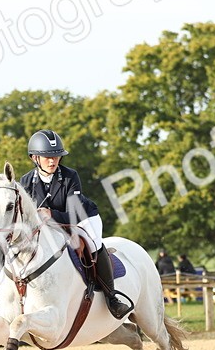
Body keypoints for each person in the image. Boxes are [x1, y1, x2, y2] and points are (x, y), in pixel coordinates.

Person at [19, 129, 133, 319]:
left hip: (82, 218)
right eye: (47, 157)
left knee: (94, 243)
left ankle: (111, 297)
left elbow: (74, 214)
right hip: (47, 225)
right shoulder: (26, 181)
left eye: (56, 156)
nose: (53, 161)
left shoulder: (70, 176)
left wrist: (51, 214)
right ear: (34, 158)